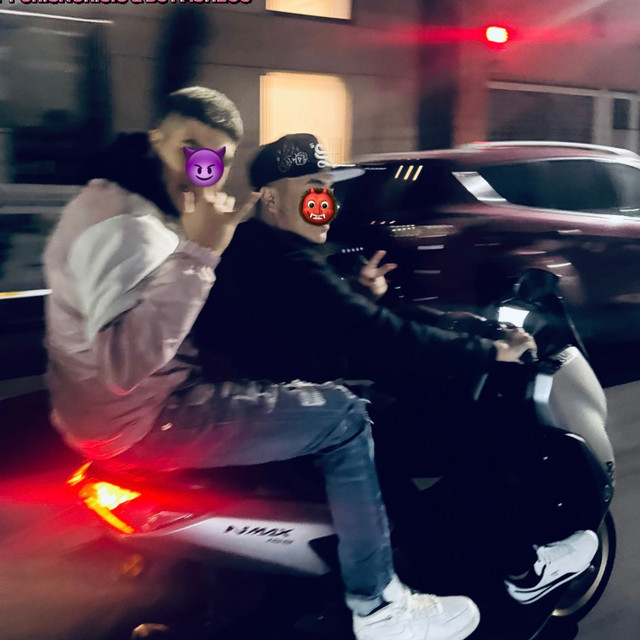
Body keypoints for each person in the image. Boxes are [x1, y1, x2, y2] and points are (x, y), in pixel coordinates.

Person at [43, 89, 482, 640]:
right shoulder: (134, 226)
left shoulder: (159, 215)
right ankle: (378, 605)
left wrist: (352, 295)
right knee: (348, 418)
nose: (200, 169)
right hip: (147, 416)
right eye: (188, 150)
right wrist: (202, 251)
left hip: (128, 408)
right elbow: (123, 366)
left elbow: (278, 317)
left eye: (214, 159)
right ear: (157, 141)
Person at [193, 133, 600, 609]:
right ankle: (522, 568)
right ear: (270, 197)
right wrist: (490, 353)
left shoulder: (253, 248)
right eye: (310, 186)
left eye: (328, 188)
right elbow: (383, 336)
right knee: (467, 433)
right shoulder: (287, 262)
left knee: (408, 425)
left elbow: (320, 324)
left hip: (269, 407)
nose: (323, 201)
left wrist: (367, 298)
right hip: (295, 421)